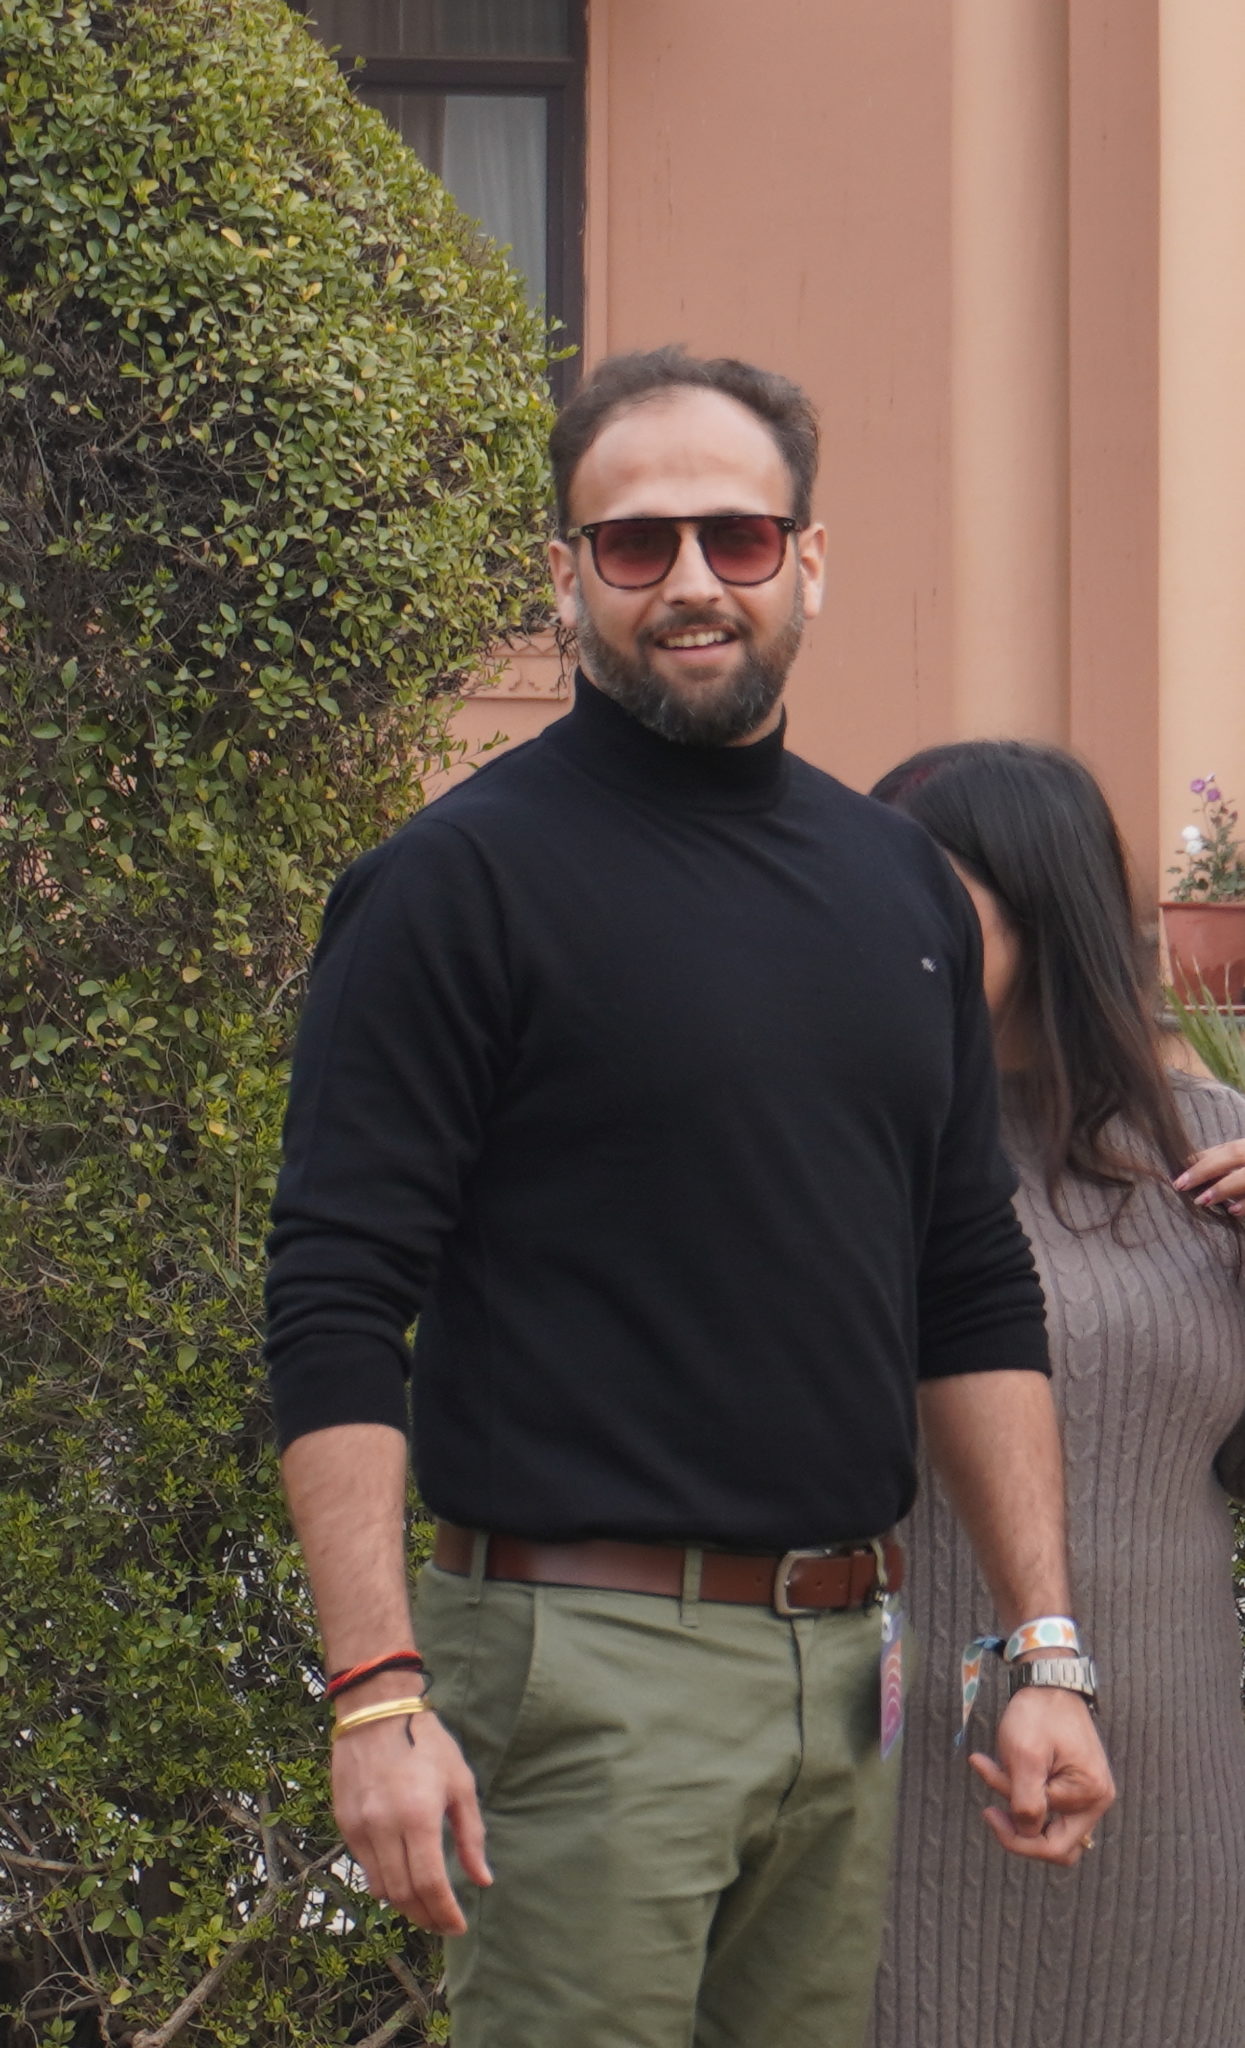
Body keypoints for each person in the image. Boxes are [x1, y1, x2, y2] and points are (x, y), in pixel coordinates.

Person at [264, 349, 1113, 2048]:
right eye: (635, 543)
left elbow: (967, 1280)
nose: (691, 581)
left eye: (736, 535)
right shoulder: (455, 884)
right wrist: (373, 1689)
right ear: (564, 573)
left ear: (809, 558)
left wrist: (1043, 1651)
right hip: (574, 1664)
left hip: (848, 1668)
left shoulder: (895, 885)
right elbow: (337, 1288)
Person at [867, 741, 1245, 2048]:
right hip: (900, 1776)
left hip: (1171, 1785)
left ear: (1043, 906)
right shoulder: (851, 1148)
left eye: (924, 888)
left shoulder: (1211, 1147)